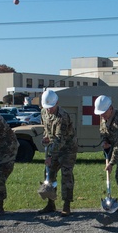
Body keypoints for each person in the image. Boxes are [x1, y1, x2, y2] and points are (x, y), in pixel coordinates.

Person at [39, 88, 78, 216]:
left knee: (66, 175)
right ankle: (51, 204)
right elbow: (46, 129)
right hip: (53, 146)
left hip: (67, 149)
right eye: (46, 107)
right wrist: (45, 137)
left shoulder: (63, 117)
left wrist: (50, 156)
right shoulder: (43, 112)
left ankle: (67, 205)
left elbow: (59, 139)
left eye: (51, 107)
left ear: (57, 103)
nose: (49, 109)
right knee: (49, 174)